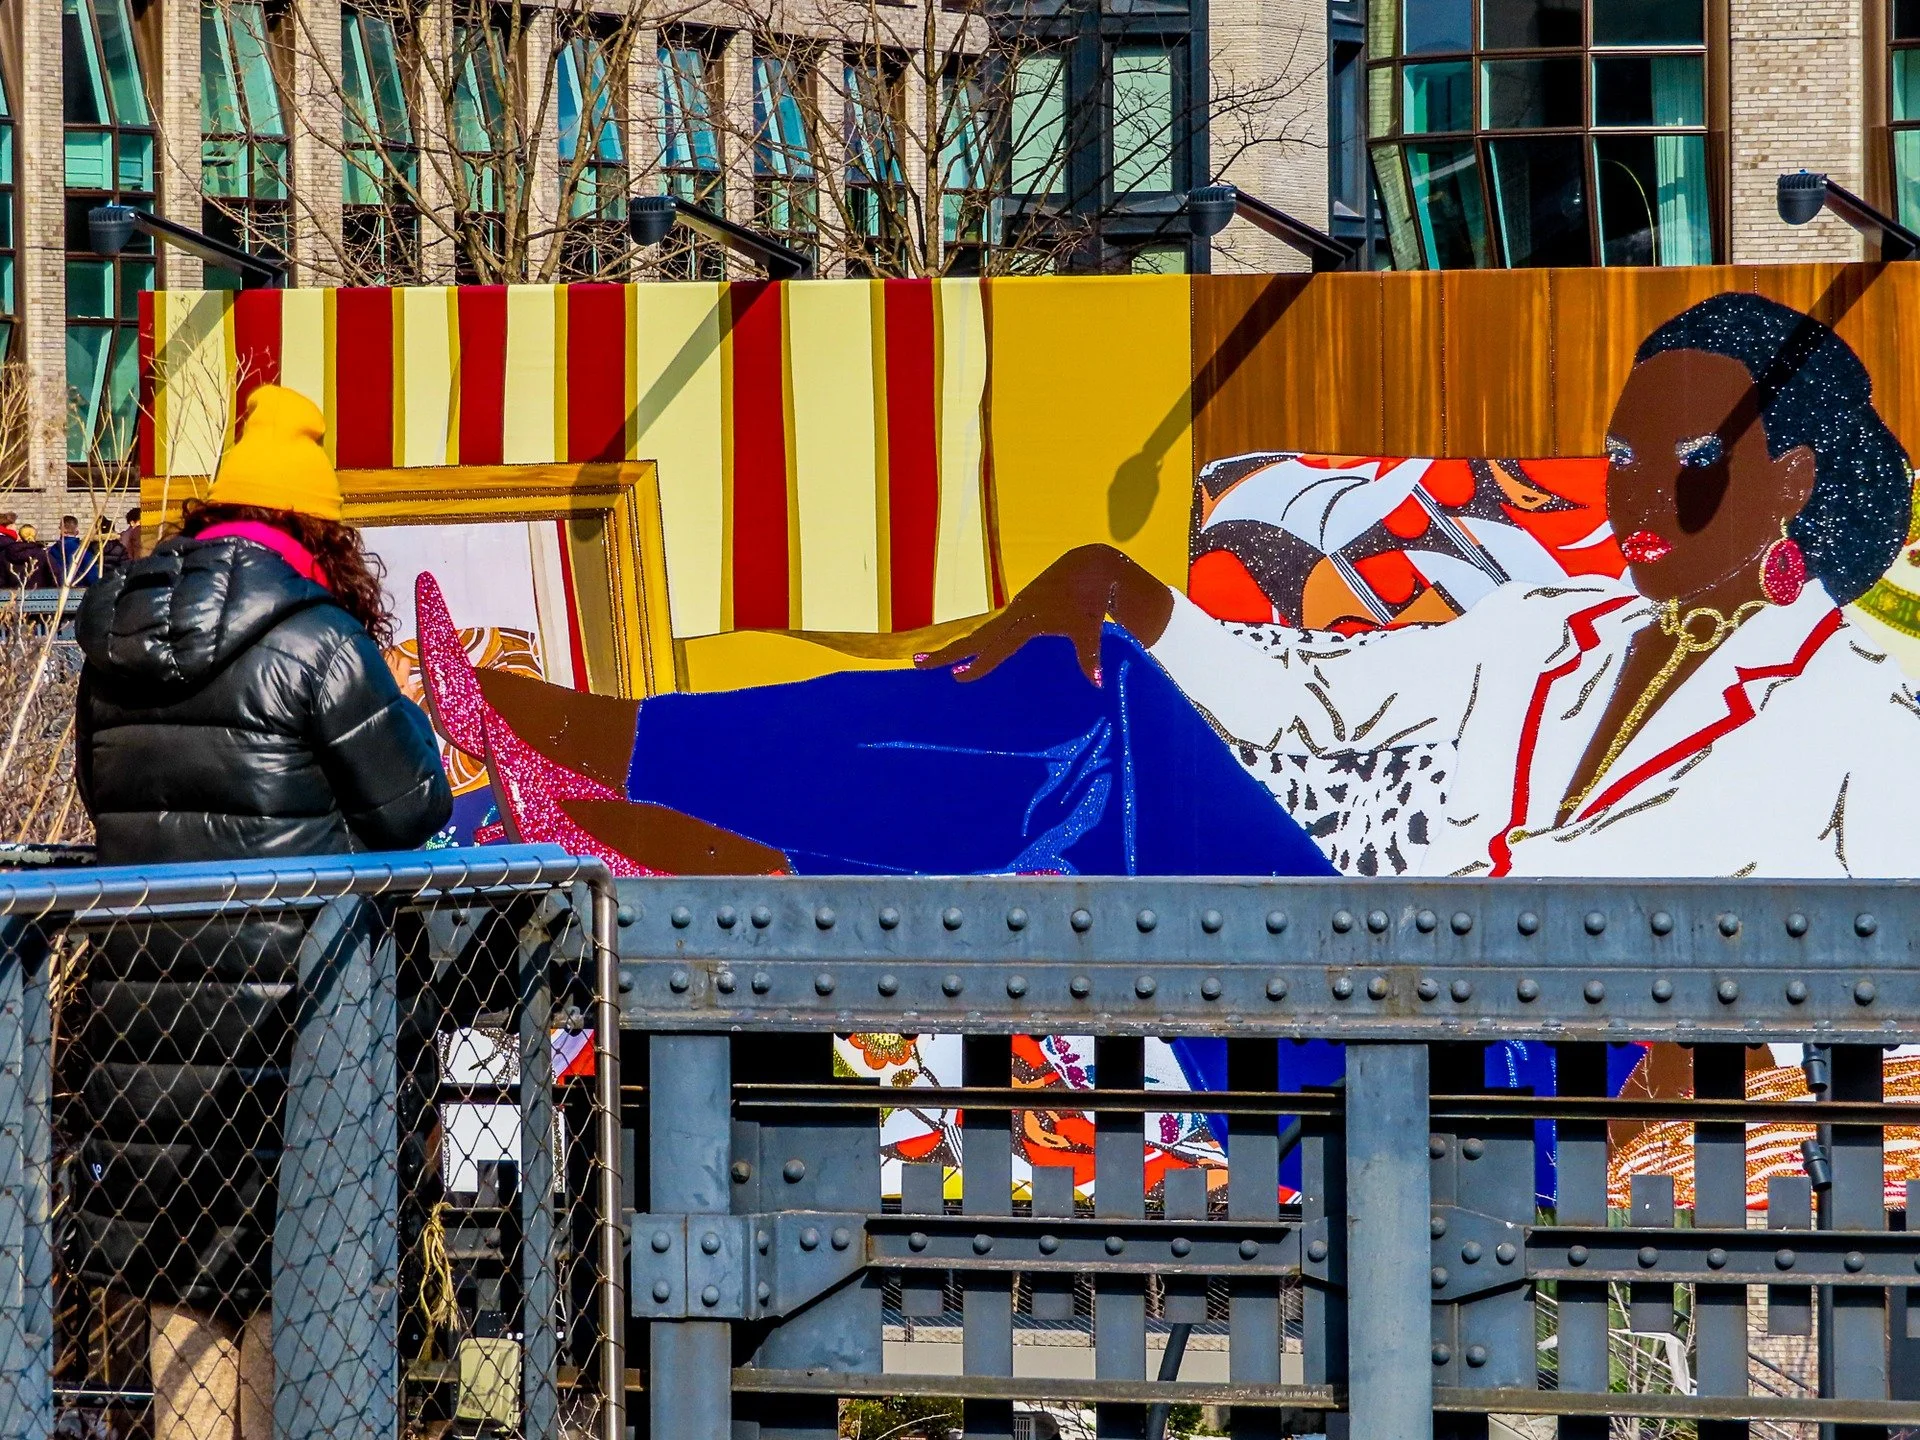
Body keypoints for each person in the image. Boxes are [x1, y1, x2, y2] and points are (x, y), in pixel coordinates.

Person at [418, 292, 1920, 881]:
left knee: (1099, 727)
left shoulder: (1856, 712)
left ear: (1795, 474)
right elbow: (1304, 693)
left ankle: (626, 781)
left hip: (1510, 1066)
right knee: (1087, 681)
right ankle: (626, 803)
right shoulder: (1549, 627)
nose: (1641, 498)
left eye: (1691, 466)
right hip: (1359, 990)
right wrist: (1128, 589)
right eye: (1618, 454)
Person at [70, 384, 452, 1439]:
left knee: (182, 1288)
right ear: (315, 526)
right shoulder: (318, 640)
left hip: (146, 1027)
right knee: (304, 1288)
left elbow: (107, 803)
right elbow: (416, 806)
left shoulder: (115, 638)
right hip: (298, 1026)